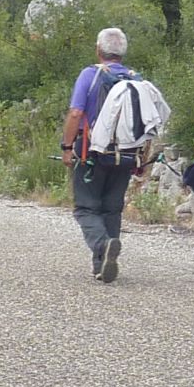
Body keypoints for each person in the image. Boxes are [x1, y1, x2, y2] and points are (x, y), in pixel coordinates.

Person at [60, 27, 140, 284]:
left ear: (98, 50)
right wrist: (142, 158)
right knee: (112, 208)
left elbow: (75, 113)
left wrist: (66, 147)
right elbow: (147, 124)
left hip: (91, 150)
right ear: (122, 53)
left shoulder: (90, 74)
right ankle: (101, 265)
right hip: (126, 152)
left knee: (85, 207)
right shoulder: (136, 79)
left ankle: (103, 246)